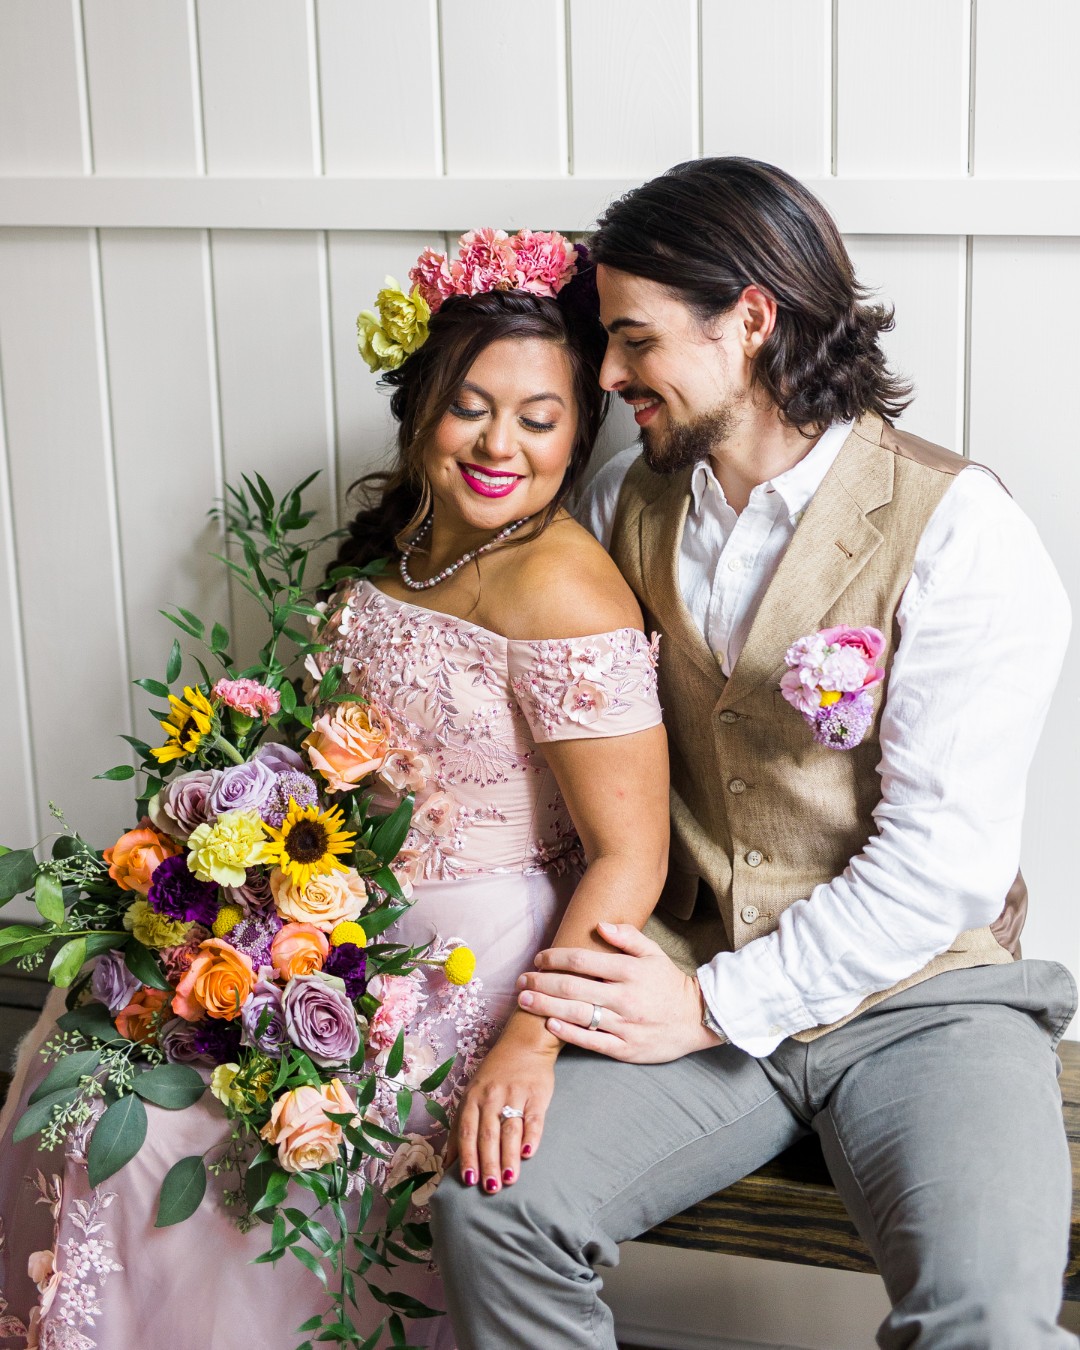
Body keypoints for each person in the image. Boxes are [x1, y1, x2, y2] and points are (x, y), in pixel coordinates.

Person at [429, 159, 1078, 1349]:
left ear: (753, 319)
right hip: (693, 961)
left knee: (987, 1319)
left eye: (633, 340)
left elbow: (941, 868)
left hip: (925, 1002)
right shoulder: (634, 495)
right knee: (494, 1216)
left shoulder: (964, 532)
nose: (609, 374)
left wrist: (712, 1006)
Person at [0, 234, 669, 1349]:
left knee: (192, 1149)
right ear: (419, 408)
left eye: (540, 419)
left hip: (469, 961)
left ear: (578, 433)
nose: (500, 444)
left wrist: (534, 1040)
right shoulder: (404, 533)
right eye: (471, 406)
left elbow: (631, 853)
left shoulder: (562, 583)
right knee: (82, 1075)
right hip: (327, 919)